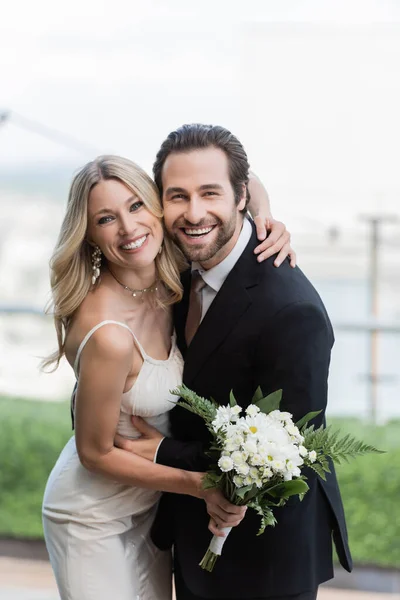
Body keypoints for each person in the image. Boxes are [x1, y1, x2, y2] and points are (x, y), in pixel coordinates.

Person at [42, 154, 293, 600]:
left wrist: (267, 218)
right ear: (91, 237)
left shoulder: (168, 272)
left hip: (148, 509)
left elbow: (242, 177)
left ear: (159, 207)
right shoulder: (109, 335)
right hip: (91, 516)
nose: (128, 228)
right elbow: (94, 454)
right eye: (106, 218)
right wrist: (199, 484)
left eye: (137, 206)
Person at [120, 124, 353, 600]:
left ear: (241, 196)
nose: (194, 212)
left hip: (261, 560)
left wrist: (161, 451)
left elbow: (286, 454)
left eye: (211, 193)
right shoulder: (180, 265)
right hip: (190, 540)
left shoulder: (291, 310)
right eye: (177, 196)